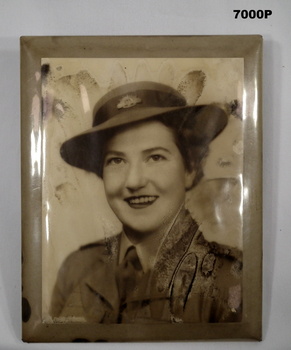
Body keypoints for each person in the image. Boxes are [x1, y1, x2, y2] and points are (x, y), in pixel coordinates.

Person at [50, 81, 242, 323]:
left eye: (155, 157)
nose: (134, 181)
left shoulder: (232, 278)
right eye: (116, 161)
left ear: (189, 169)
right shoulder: (77, 268)